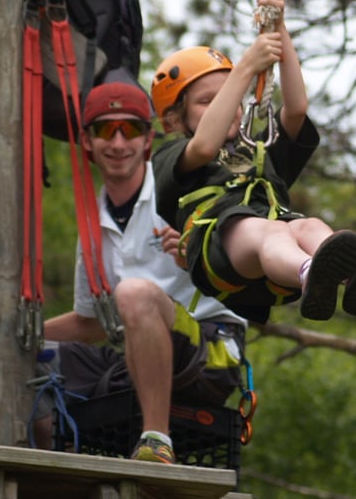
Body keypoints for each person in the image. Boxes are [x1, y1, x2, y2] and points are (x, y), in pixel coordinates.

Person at [150, 0, 356, 324]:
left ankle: (349, 274)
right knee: (267, 230)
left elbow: (295, 109)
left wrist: (280, 26)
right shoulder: (171, 154)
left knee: (307, 226)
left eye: (230, 98)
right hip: (219, 256)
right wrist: (244, 70)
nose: (228, 106)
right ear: (175, 120)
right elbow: (205, 145)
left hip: (272, 265)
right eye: (208, 101)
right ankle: (311, 271)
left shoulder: (257, 150)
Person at [33, 80, 248, 466]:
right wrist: (9, 333)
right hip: (142, 355)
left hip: (211, 350)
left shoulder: (182, 186)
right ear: (87, 141)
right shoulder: (93, 224)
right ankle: (59, 467)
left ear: (148, 139)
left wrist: (197, 243)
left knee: (133, 293)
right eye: (105, 130)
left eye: (129, 129)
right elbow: (90, 323)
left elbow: (244, 251)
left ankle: (156, 439)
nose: (118, 143)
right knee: (34, 356)